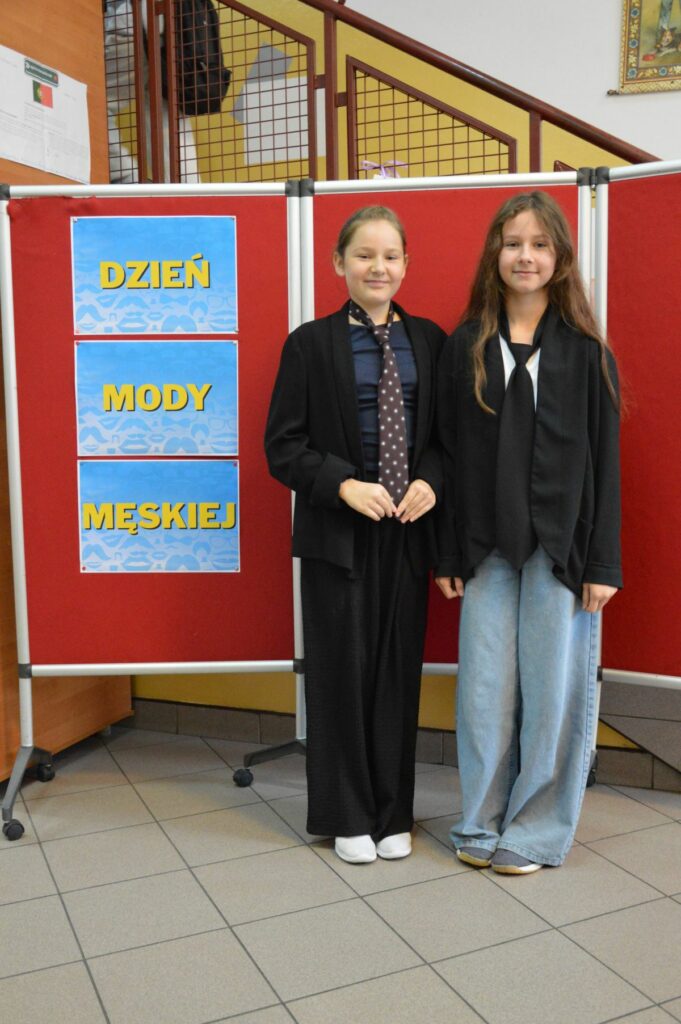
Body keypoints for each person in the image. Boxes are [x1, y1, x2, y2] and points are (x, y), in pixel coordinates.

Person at [435, 191, 622, 875]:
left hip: (561, 551)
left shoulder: (585, 353)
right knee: (483, 692)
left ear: (559, 258)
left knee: (552, 696)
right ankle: (479, 820)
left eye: (540, 244)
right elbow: (447, 454)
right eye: (512, 242)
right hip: (485, 548)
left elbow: (605, 462)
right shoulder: (465, 346)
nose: (525, 256)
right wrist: (447, 553)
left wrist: (603, 563)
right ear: (494, 252)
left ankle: (537, 830)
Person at [265, 206, 445, 864]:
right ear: (338, 263)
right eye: (364, 255)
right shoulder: (308, 344)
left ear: (406, 264)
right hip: (337, 536)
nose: (378, 267)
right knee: (340, 673)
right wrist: (342, 484)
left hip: (407, 534)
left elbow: (448, 438)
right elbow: (282, 447)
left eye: (390, 256)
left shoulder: (431, 341)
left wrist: (432, 480)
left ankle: (392, 813)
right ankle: (346, 815)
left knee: (396, 674)